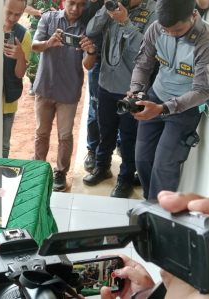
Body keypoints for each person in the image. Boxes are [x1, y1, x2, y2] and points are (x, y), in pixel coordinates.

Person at [128, 0, 209, 200]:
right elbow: (143, 65)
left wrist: (162, 109)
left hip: (185, 109)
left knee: (164, 167)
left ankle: (158, 217)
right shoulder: (156, 28)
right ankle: (150, 203)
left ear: (193, 14)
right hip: (156, 96)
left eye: (177, 30)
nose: (170, 33)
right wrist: (135, 91)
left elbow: (202, 91)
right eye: (166, 29)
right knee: (142, 160)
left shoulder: (208, 41)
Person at [82, 0, 157, 198]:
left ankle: (125, 179)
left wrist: (126, 22)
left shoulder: (153, 10)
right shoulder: (113, 6)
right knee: (105, 130)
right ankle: (102, 167)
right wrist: (105, 9)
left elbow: (148, 47)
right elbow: (91, 30)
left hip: (131, 88)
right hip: (106, 81)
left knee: (128, 137)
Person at [31, 0, 93, 192]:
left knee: (65, 135)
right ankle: (38, 168)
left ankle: (60, 172)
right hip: (44, 87)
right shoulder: (48, 18)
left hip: (68, 90)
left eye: (81, 4)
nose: (75, 9)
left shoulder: (87, 27)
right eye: (72, 3)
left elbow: (88, 64)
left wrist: (90, 50)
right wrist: (48, 43)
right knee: (41, 132)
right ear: (63, 2)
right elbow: (34, 45)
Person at [2, 0, 32, 158]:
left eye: (18, 14)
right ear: (1, 6)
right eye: (9, 12)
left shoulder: (24, 35)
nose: (13, 18)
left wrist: (20, 57)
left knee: (4, 144)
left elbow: (20, 74)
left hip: (8, 102)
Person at [25, 0, 61, 92]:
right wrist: (37, 12)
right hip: (35, 27)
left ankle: (52, 82)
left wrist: (57, 12)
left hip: (53, 28)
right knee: (33, 58)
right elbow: (25, 7)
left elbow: (67, 9)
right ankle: (33, 82)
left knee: (52, 57)